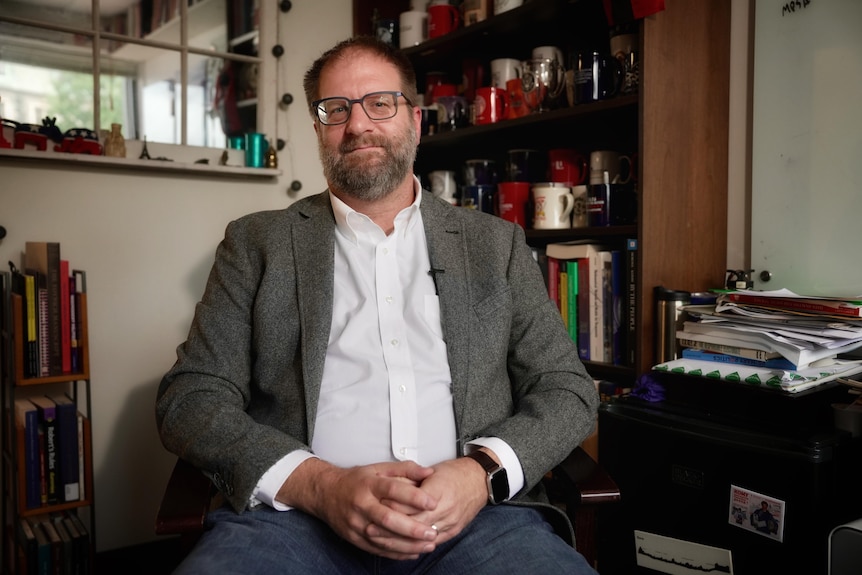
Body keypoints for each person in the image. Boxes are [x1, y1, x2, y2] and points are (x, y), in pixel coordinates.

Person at [156, 35, 599, 574]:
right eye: (335, 109)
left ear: (414, 120)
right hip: (297, 523)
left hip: (481, 524)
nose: (358, 124)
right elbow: (191, 397)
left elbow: (565, 388)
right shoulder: (256, 245)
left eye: (380, 104)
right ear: (318, 129)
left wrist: (480, 474)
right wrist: (321, 486)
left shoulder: (494, 244)